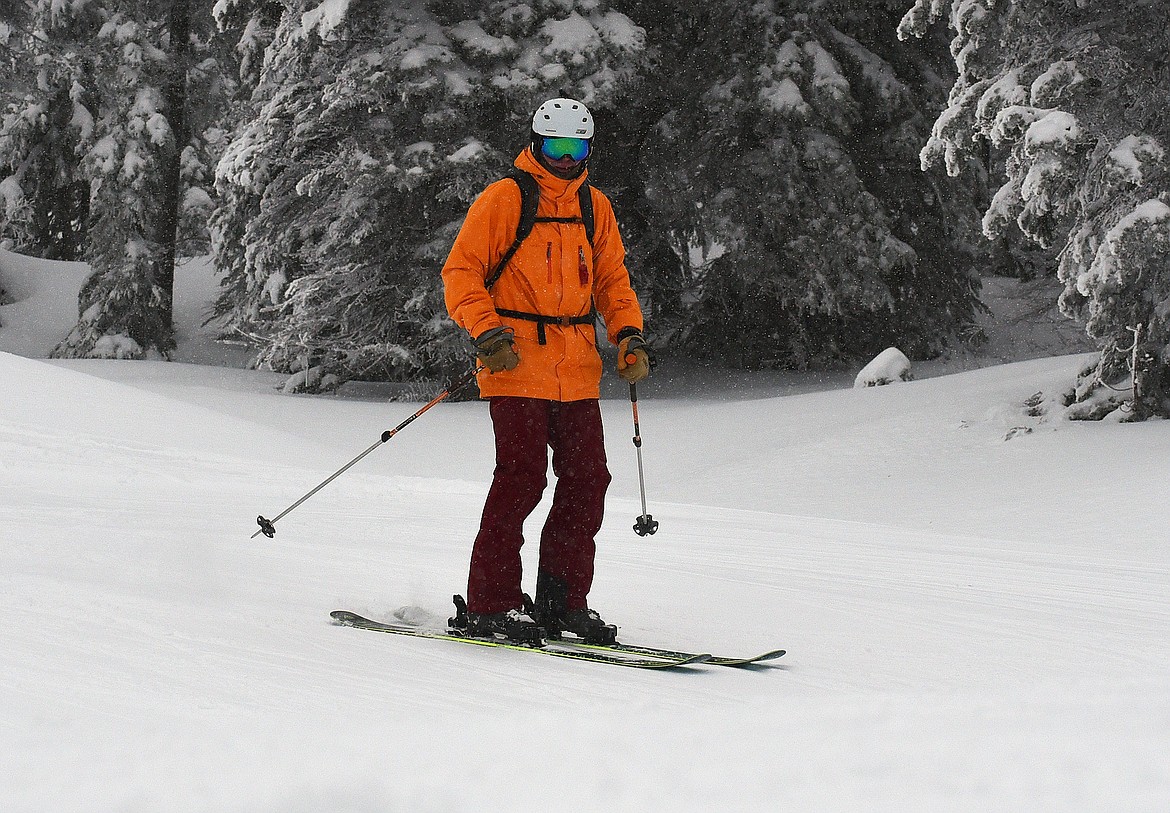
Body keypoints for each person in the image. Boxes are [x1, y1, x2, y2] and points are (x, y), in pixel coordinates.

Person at [441, 97, 651, 644]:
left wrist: (628, 334)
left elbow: (612, 280)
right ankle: (491, 604)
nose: (565, 158)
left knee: (588, 481)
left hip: (577, 368)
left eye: (576, 147)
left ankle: (563, 602)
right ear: (536, 143)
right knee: (522, 480)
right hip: (514, 363)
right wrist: (486, 332)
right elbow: (462, 271)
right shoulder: (506, 198)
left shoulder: (594, 206)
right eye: (556, 146)